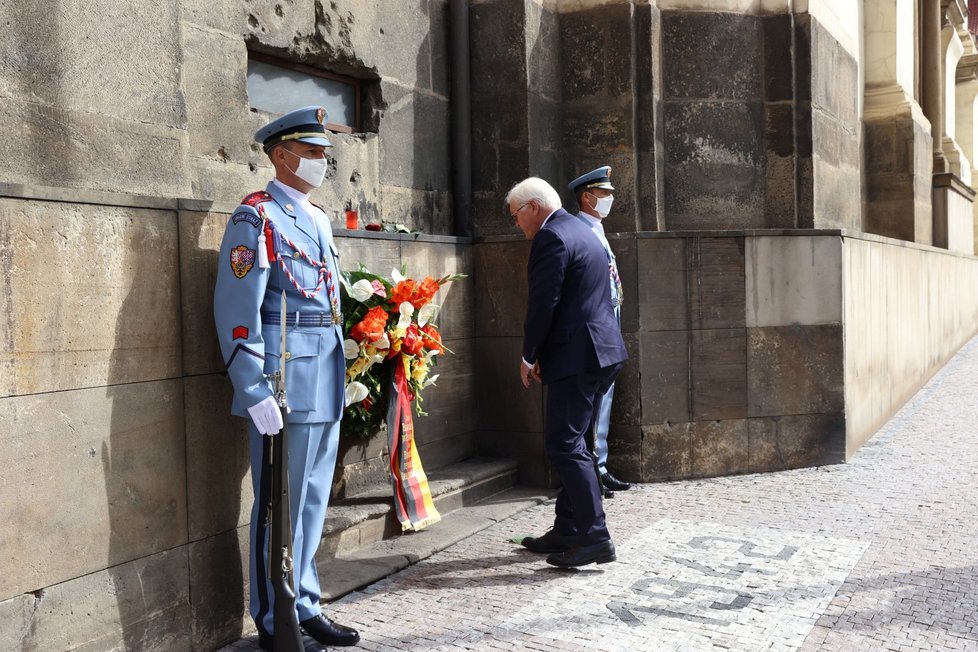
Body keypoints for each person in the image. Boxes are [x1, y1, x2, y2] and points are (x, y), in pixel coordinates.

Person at [213, 106, 360, 651]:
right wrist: (251, 388)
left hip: (322, 373)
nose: (324, 160)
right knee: (281, 502)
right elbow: (237, 308)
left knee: (314, 498)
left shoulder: (317, 219)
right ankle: (276, 618)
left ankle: (305, 601)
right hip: (282, 379)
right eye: (313, 151)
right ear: (281, 155)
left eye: (324, 151)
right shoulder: (256, 217)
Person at [507, 176, 629, 568]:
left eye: (515, 216)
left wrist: (529, 355)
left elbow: (545, 302)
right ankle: (568, 528)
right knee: (578, 443)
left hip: (579, 356)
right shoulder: (582, 230)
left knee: (565, 445)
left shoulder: (552, 236)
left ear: (533, 208)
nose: (517, 225)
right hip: (600, 352)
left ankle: (594, 536)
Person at [568, 165, 631, 498]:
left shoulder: (597, 229)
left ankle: (602, 465)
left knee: (604, 399)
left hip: (609, 322)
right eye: (604, 194)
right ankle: (592, 469)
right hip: (593, 329)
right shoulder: (580, 230)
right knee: (590, 401)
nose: (609, 200)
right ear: (586, 197)